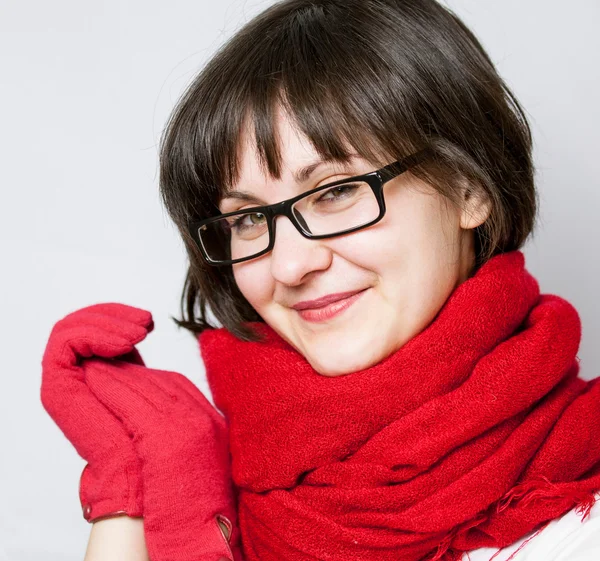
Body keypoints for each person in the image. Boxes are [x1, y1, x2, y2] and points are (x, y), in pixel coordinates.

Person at [40, 0, 600, 560]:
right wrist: (134, 488)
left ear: (467, 188)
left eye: (336, 191)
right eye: (249, 218)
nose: (289, 265)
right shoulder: (208, 492)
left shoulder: (580, 505)